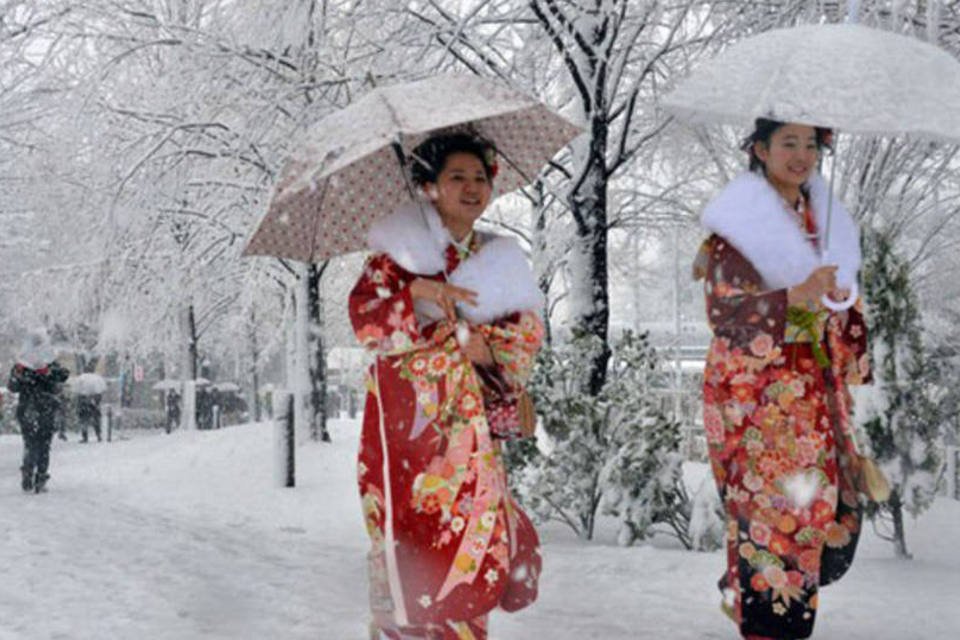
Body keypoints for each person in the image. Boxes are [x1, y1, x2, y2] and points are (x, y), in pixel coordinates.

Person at [349, 131, 545, 640]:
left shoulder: (500, 257)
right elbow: (365, 323)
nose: (471, 186)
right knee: (407, 555)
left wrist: (486, 351)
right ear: (428, 187)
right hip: (406, 439)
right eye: (455, 176)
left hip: (469, 439)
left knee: (469, 549)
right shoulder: (396, 258)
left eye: (480, 177)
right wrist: (416, 294)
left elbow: (524, 339)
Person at [694, 119, 872, 640]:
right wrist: (793, 298)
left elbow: (845, 309)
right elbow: (725, 315)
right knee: (777, 518)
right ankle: (762, 613)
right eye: (787, 143)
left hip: (815, 391)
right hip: (763, 404)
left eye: (811, 144)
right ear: (759, 149)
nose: (801, 155)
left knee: (815, 515)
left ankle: (749, 591)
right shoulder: (738, 228)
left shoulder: (825, 223)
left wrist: (841, 315)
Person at [7, 329, 70, 493]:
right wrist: (46, 373)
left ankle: (29, 474)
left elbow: (13, 387)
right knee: (43, 445)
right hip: (43, 409)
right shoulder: (43, 364)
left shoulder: (27, 365)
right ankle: (39, 477)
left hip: (30, 409)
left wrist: (22, 375)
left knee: (31, 444)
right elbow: (62, 376)